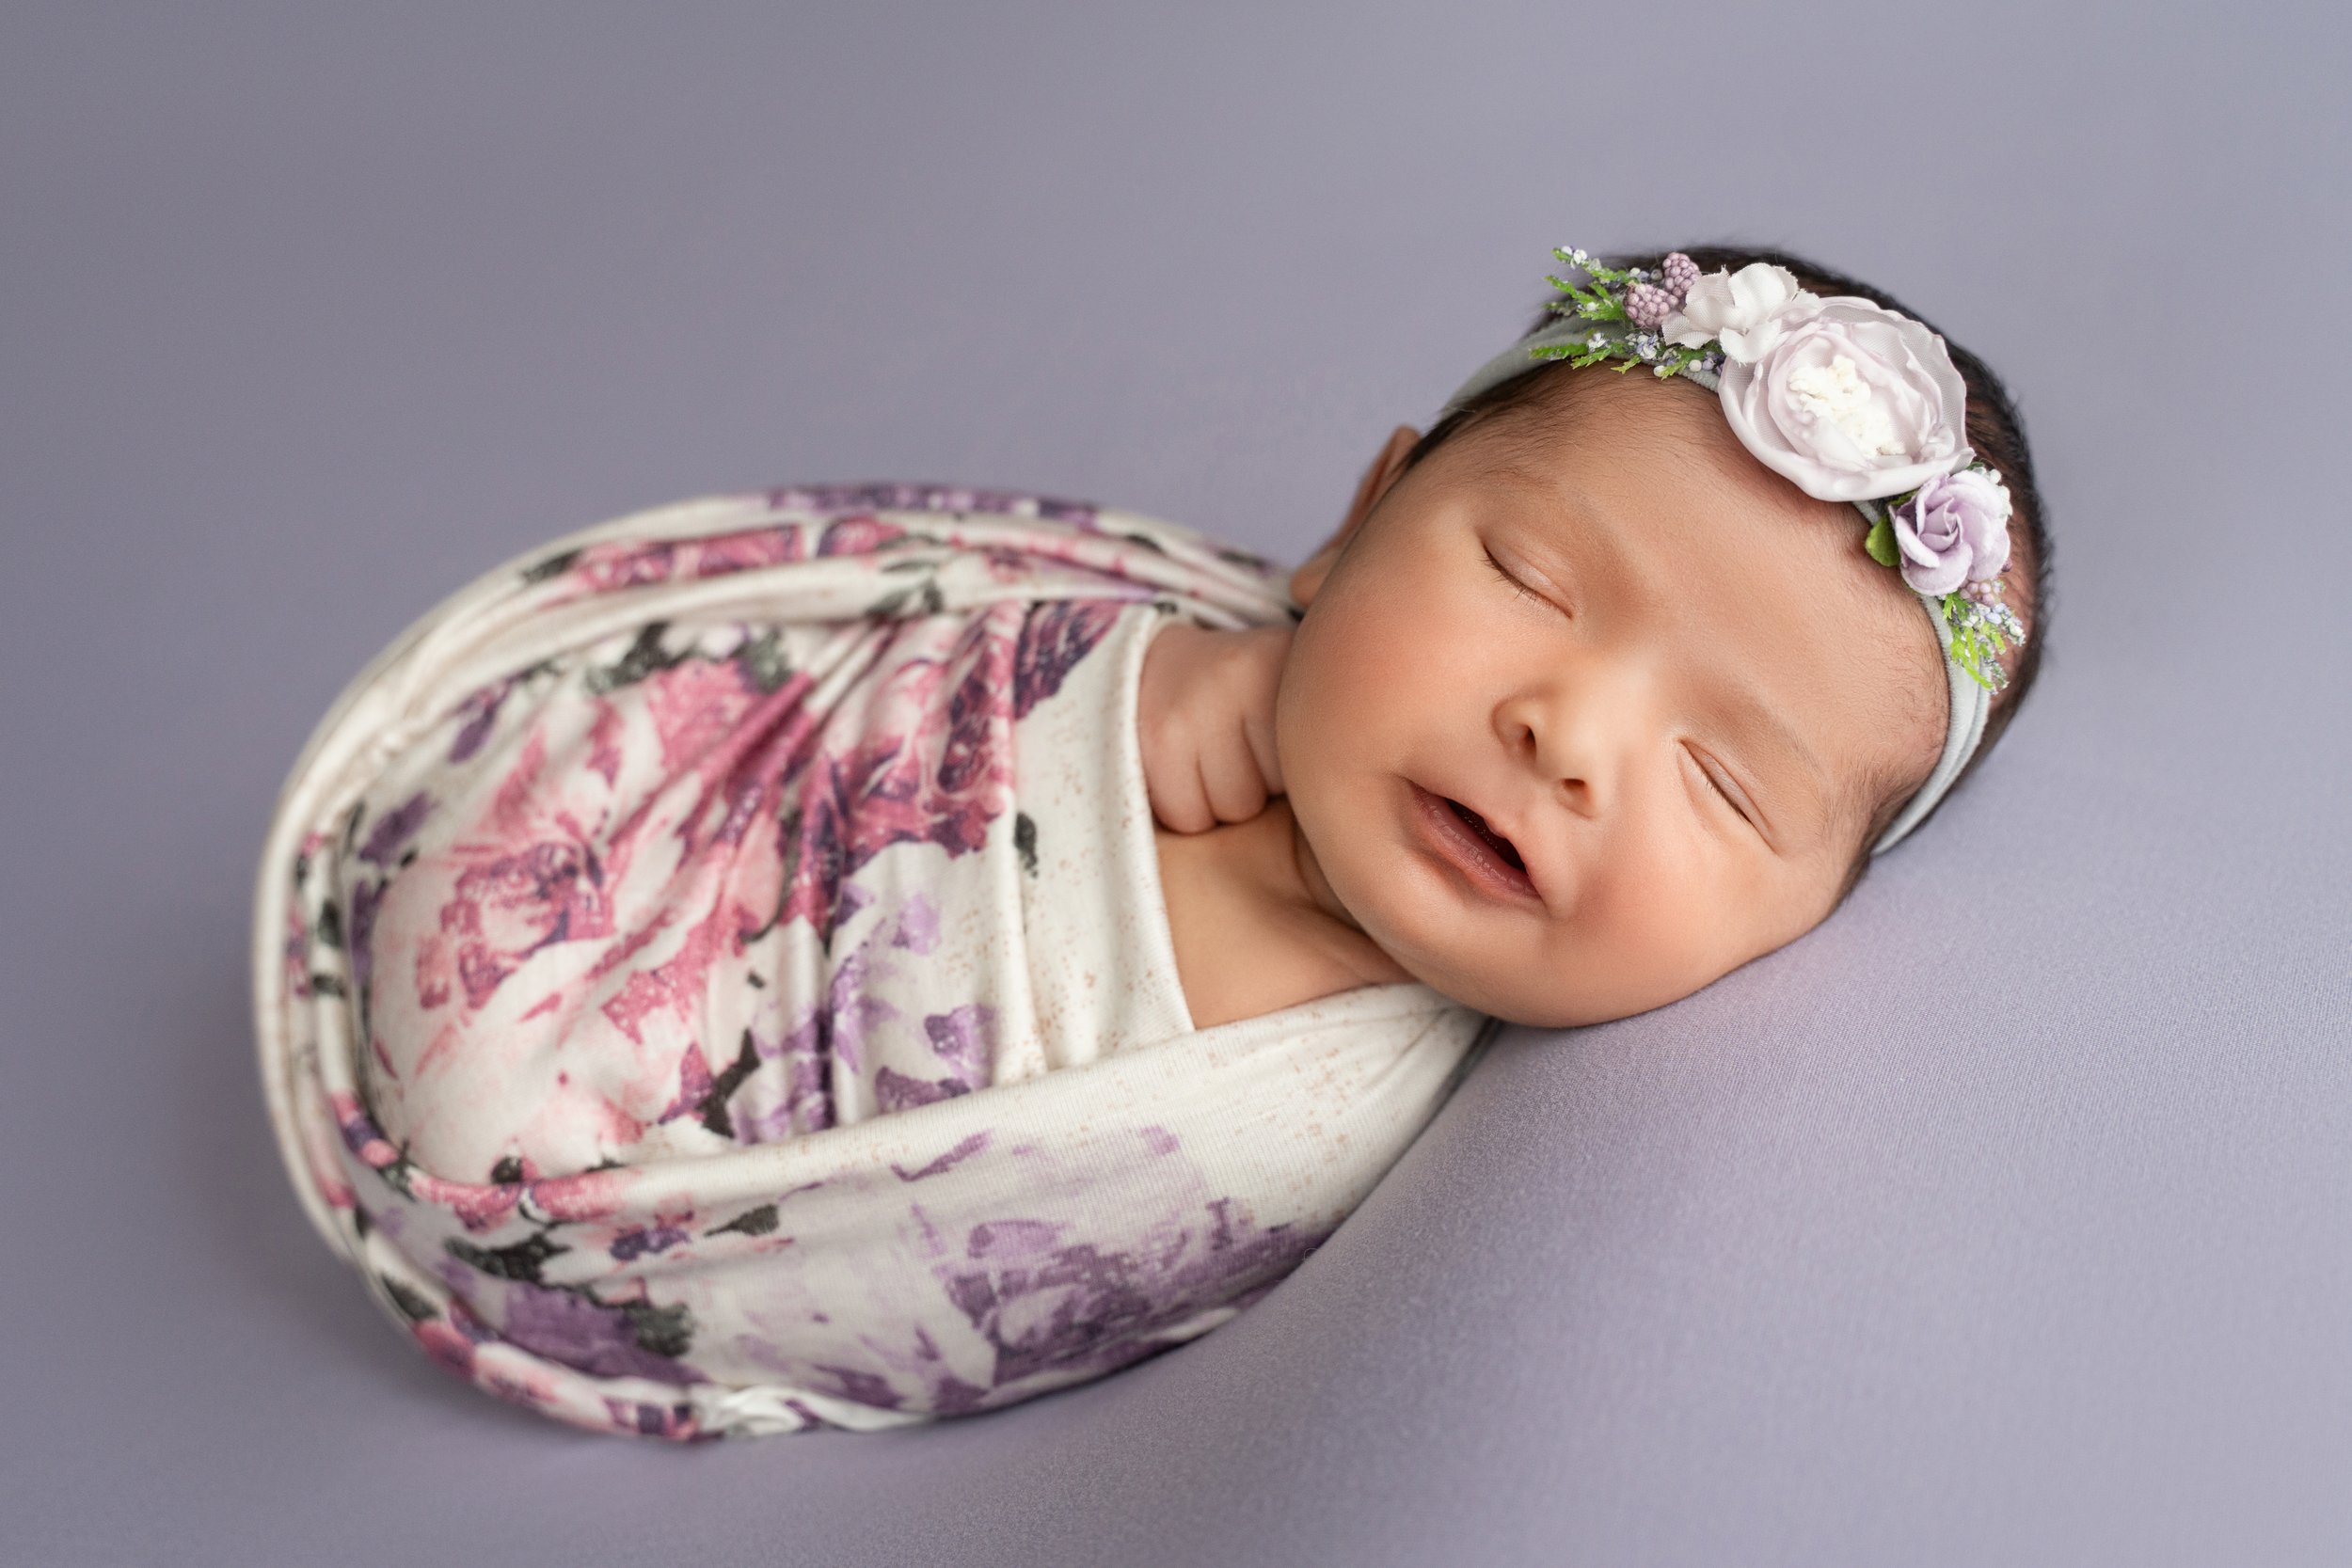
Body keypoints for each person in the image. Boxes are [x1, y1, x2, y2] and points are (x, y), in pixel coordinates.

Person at [251, 244, 2046, 1438]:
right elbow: (862, 679)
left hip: (604, 1159)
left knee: (492, 1127)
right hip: (614, 844)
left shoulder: (1324, 1134)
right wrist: (1094, 687)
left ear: (1809, 923)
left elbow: (983, 1274)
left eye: (1723, 783)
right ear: (1356, 521)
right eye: (1525, 578)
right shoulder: (1156, 647)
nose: (1564, 737)